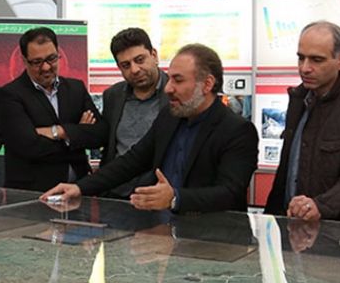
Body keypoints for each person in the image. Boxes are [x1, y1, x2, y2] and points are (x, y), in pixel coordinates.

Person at [41, 44, 258, 213]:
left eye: (178, 80)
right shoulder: (169, 117)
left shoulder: (237, 130)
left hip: (211, 242)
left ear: (207, 84)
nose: (168, 88)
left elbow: (230, 193)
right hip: (160, 232)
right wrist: (80, 187)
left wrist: (175, 198)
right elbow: (132, 161)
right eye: (169, 79)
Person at [264, 21, 340, 222]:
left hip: (337, 230)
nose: (305, 68)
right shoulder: (298, 100)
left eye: (317, 60)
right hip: (289, 224)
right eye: (301, 58)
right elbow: (287, 170)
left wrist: (320, 206)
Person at [0, 26, 107, 192]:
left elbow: (100, 134)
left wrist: (59, 132)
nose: (46, 67)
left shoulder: (76, 89)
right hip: (33, 193)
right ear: (24, 61)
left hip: (78, 189)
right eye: (37, 62)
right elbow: (28, 146)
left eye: (52, 59)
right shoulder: (9, 95)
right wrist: (77, 134)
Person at [99, 27, 169, 198]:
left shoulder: (174, 93)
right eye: (126, 65)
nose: (135, 69)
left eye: (140, 60)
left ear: (154, 55)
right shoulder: (113, 96)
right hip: (116, 195)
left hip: (158, 195)